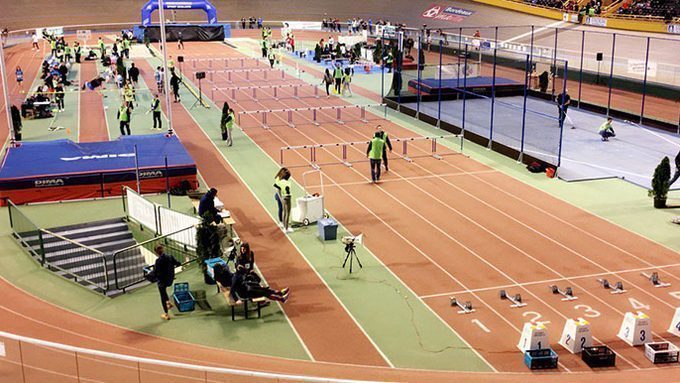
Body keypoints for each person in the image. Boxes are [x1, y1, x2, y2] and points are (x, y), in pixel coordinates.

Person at [153, 244, 181, 321]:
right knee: (163, 289)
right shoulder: (170, 257)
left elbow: (155, 273)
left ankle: (166, 314)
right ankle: (168, 302)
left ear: (156, 252)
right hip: (170, 279)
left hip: (163, 281)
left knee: (162, 293)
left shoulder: (158, 261)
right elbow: (178, 263)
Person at [273, 168, 293, 233]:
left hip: (283, 196)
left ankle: (285, 226)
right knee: (287, 213)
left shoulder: (280, 181)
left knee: (284, 212)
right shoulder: (288, 183)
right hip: (286, 197)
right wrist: (280, 198)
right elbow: (279, 190)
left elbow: (277, 187)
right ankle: (285, 227)